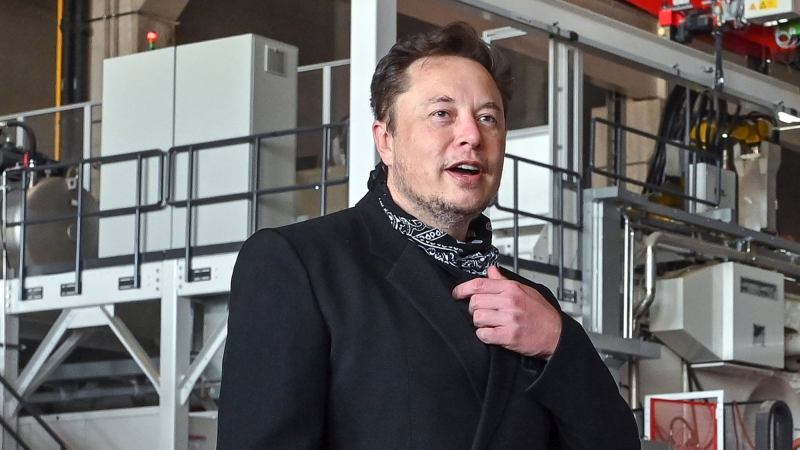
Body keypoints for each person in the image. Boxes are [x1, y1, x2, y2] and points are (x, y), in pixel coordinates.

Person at [217, 22, 640, 450]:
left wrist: (560, 342)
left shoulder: (531, 305)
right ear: (386, 140)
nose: (472, 135)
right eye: (442, 114)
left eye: (488, 118)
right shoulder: (299, 265)